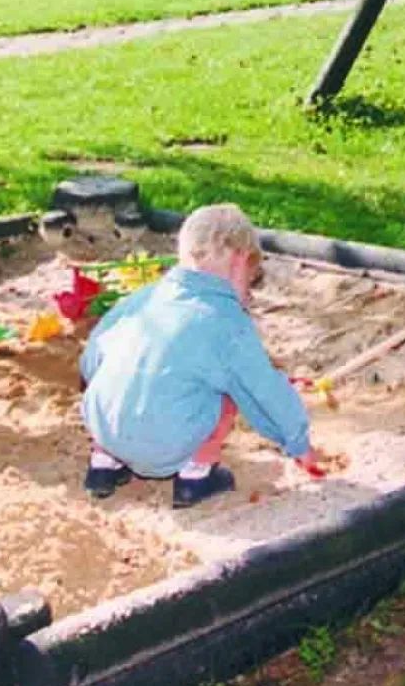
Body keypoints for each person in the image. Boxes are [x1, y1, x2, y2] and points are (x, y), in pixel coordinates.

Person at [78, 204, 322, 508]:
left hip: (104, 425)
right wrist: (298, 443)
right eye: (251, 278)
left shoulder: (144, 297)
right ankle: (196, 476)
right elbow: (263, 389)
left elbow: (90, 360)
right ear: (240, 260)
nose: (249, 292)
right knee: (231, 388)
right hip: (166, 442)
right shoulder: (226, 320)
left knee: (127, 374)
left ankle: (104, 467)